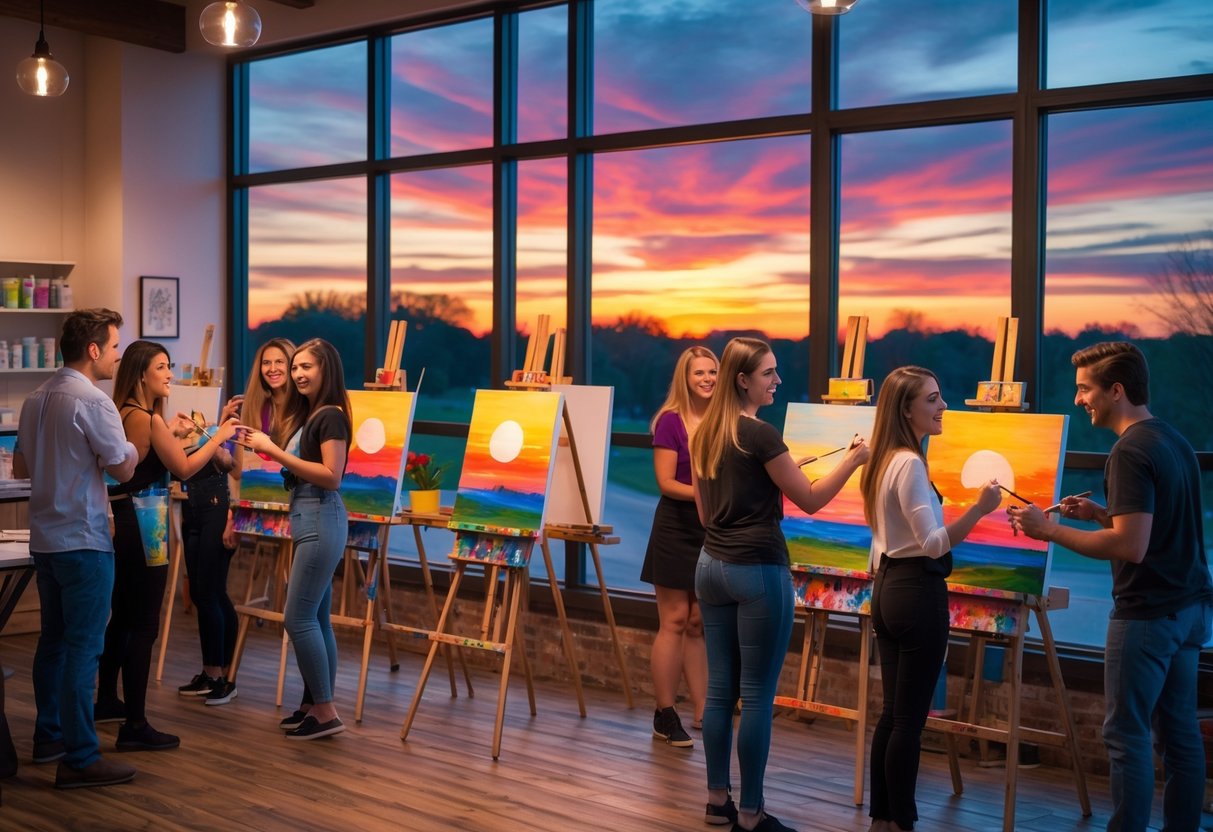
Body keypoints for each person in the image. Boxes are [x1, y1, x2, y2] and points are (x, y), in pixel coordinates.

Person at [1009, 342, 1212, 832]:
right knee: (1180, 733)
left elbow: (1131, 547)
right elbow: (1154, 528)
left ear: (1116, 390)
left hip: (1147, 617)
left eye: (1085, 389)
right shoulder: (1172, 439)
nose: (1080, 399)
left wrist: (1048, 529)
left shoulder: (1128, 451)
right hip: (1189, 610)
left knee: (1126, 735)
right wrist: (1100, 513)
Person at [689, 337, 869, 832]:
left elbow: (707, 515)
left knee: (721, 691)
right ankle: (751, 815)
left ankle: (716, 802)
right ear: (743, 379)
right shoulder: (762, 435)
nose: (777, 381)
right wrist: (852, 462)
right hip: (756, 570)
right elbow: (810, 500)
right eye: (769, 373)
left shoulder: (704, 433)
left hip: (710, 566)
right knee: (758, 696)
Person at [859, 366, 1001, 832]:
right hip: (916, 592)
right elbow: (935, 542)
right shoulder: (910, 463)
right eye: (933, 400)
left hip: (888, 587)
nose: (943, 407)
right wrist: (979, 510)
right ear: (907, 409)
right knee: (908, 721)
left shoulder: (881, 459)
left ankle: (882, 818)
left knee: (891, 715)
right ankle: (903, 821)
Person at [13, 309, 139, 788]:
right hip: (84, 540)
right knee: (85, 649)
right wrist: (130, 448)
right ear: (92, 350)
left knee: (54, 642)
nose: (116, 355)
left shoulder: (36, 397)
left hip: (45, 540)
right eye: (113, 346)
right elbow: (123, 469)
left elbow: (22, 469)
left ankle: (49, 738)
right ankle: (81, 756)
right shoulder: (92, 401)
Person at [94, 341, 240, 751]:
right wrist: (220, 435)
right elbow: (187, 468)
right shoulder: (148, 419)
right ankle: (136, 724)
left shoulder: (124, 412)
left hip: (122, 520)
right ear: (143, 374)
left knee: (121, 616)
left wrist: (175, 434)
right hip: (147, 522)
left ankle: (107, 699)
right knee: (144, 624)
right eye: (162, 366)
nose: (170, 373)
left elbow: (143, 461)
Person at [239, 338, 351, 740]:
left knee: (298, 617)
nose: (299, 374)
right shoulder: (314, 414)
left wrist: (273, 449)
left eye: (307, 367)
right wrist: (263, 449)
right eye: (296, 367)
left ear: (326, 370)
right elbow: (302, 468)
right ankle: (313, 706)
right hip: (310, 516)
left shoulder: (331, 416)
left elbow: (331, 475)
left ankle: (326, 710)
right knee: (317, 618)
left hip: (321, 516)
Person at [641, 346, 717, 749]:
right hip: (676, 528)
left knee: (697, 622)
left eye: (712, 371)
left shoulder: (726, 422)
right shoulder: (669, 422)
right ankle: (664, 713)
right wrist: (711, 495)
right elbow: (666, 483)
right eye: (698, 373)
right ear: (684, 379)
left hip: (712, 530)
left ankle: (703, 709)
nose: (706, 378)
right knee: (673, 620)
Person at [175, 391, 243, 706]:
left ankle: (222, 676)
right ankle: (210, 671)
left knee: (211, 592)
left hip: (218, 509)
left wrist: (213, 434)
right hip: (193, 511)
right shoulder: (189, 434)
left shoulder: (218, 434)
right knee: (203, 592)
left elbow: (229, 463)